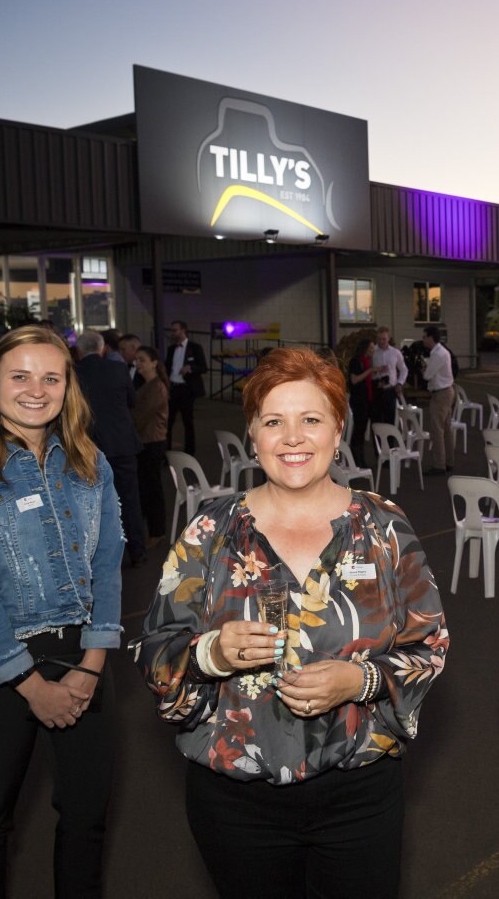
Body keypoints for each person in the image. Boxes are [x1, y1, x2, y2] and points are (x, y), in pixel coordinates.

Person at [132, 346, 448, 899]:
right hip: (235, 802)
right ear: (253, 434)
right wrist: (212, 653)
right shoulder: (211, 532)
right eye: (274, 421)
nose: (293, 437)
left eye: (311, 419)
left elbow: (431, 647)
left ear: (338, 429)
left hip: (359, 796)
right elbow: (155, 655)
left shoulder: (383, 527)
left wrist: (363, 681)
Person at [0, 326, 123, 897]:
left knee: (87, 819)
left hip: (83, 657)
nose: (35, 389)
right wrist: (32, 685)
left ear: (68, 387)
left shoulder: (92, 466)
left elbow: (108, 566)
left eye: (50, 377)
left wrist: (90, 667)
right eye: (19, 376)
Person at [75, 331, 147, 566]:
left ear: (79, 350)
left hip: (89, 447)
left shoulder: (74, 374)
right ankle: (138, 550)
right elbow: (132, 402)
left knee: (92, 503)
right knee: (129, 500)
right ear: (102, 348)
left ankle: (100, 556)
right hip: (123, 443)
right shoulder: (118, 370)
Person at [132, 345, 170, 547]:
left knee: (152, 489)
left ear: (154, 362)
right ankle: (153, 530)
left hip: (152, 442)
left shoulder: (156, 386)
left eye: (142, 360)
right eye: (136, 359)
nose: (138, 363)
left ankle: (157, 532)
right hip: (146, 441)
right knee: (146, 488)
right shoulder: (146, 384)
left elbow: (141, 416)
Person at [165, 320, 207, 454]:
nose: (173, 333)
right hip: (173, 388)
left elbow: (203, 367)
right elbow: (167, 367)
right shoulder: (171, 349)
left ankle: (190, 452)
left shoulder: (195, 347)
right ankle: (166, 453)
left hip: (186, 389)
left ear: (183, 331)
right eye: (172, 330)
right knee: (168, 422)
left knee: (187, 422)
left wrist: (191, 368)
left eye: (175, 330)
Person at [420, 326, 455, 475]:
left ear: (430, 337)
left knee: (437, 430)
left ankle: (439, 464)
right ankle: (449, 461)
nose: (423, 339)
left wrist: (423, 369)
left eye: (424, 336)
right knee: (446, 429)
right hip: (447, 391)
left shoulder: (437, 354)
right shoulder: (442, 352)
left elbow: (427, 375)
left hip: (440, 394)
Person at [347, 337, 378, 469]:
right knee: (358, 429)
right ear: (365, 348)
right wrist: (370, 371)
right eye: (371, 348)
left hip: (366, 399)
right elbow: (354, 380)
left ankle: (360, 457)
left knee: (362, 428)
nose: (373, 350)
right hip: (358, 400)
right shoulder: (356, 361)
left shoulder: (366, 361)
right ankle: (356, 457)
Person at [371, 326, 407, 425]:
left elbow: (404, 370)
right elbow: (367, 369)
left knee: (390, 419)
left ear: (388, 338)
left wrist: (400, 383)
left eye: (384, 339)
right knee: (376, 420)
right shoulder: (372, 351)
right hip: (376, 389)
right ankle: (377, 440)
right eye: (379, 339)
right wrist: (375, 371)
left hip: (390, 390)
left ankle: (389, 440)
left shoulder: (395, 353)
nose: (381, 341)